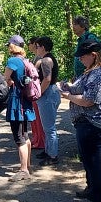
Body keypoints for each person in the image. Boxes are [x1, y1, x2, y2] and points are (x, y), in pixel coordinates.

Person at [59, 40, 101, 202]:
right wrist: (67, 87)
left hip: (93, 121)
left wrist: (68, 96)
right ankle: (92, 188)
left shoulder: (100, 74)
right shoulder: (91, 72)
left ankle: (97, 196)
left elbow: (89, 100)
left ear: (94, 55)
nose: (80, 59)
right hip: (86, 122)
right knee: (87, 159)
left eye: (82, 56)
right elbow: (80, 89)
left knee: (92, 159)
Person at [4, 35, 36, 182]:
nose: (8, 47)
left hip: (17, 103)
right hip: (26, 101)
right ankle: (27, 165)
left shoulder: (12, 61)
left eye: (9, 45)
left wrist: (11, 82)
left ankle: (23, 170)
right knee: (25, 135)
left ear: (13, 46)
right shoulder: (25, 61)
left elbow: (5, 79)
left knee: (19, 137)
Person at [34, 36, 60, 166]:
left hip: (48, 94)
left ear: (43, 47)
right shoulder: (47, 59)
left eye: (37, 46)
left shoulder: (46, 60)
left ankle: (53, 155)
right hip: (51, 92)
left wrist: (39, 93)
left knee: (49, 128)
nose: (36, 48)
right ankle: (48, 150)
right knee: (47, 126)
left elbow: (47, 79)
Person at [27, 36, 46, 151]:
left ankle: (41, 141)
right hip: (32, 90)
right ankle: (36, 138)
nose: (28, 46)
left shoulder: (39, 58)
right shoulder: (35, 57)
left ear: (35, 44)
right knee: (34, 118)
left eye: (29, 43)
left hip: (37, 91)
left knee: (39, 118)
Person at [71, 17, 101, 81]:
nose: (73, 26)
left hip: (89, 77)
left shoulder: (90, 37)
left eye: (75, 24)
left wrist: (88, 73)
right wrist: (76, 75)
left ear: (83, 26)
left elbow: (97, 56)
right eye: (73, 24)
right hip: (81, 78)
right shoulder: (80, 40)